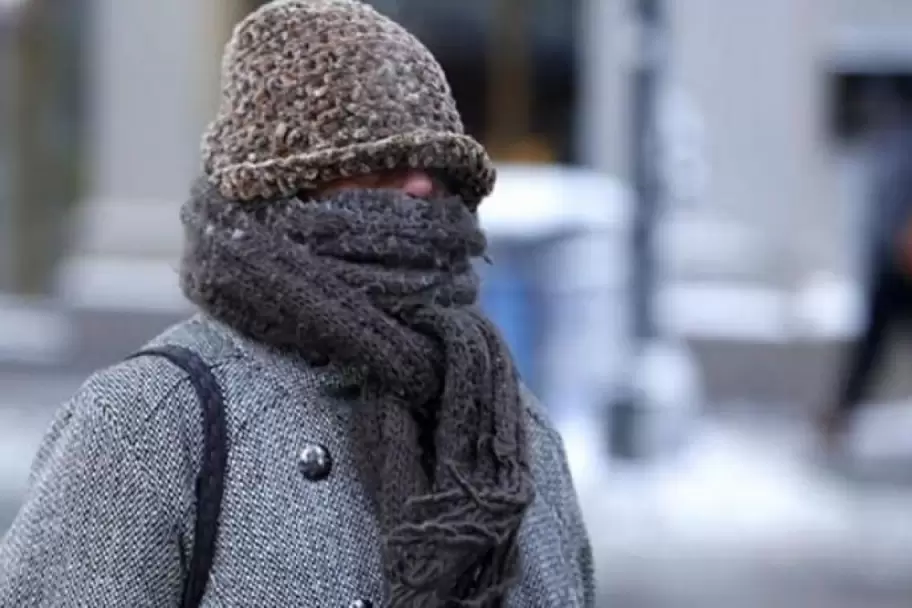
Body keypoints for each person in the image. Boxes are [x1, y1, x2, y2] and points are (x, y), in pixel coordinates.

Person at [0, 1, 594, 606]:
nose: (420, 183)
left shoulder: (508, 429)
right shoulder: (149, 421)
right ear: (283, 184)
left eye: (439, 165)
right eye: (379, 158)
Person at [820, 88, 912, 454]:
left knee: (872, 344)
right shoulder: (893, 145)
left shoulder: (900, 146)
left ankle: (842, 414)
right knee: (872, 344)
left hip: (900, 262)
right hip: (892, 264)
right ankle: (842, 415)